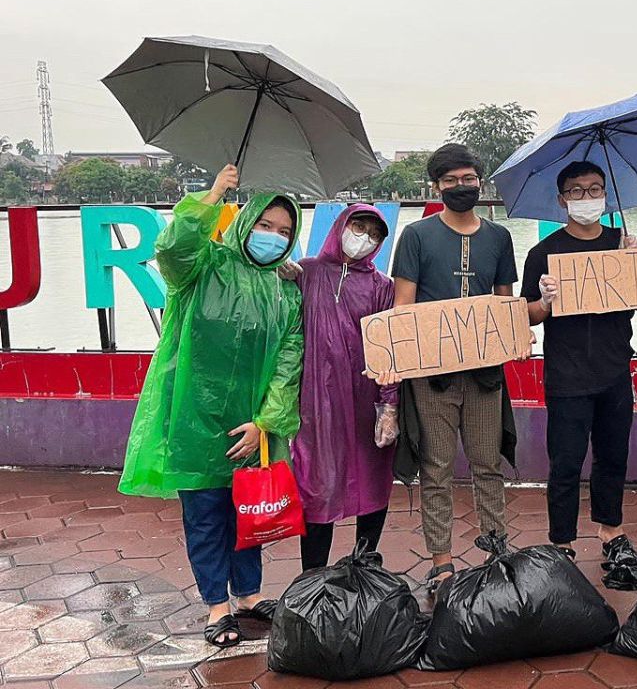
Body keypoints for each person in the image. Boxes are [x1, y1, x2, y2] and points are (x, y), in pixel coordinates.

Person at [118, 164, 303, 648]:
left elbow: (289, 360)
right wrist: (213, 196)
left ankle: (247, 596)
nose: (273, 237)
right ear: (244, 222)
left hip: (251, 423)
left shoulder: (285, 291)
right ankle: (216, 608)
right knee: (204, 516)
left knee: (249, 512)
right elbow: (172, 249)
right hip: (195, 419)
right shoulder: (203, 266)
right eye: (265, 225)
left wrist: (266, 422)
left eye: (284, 231)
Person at [388, 143, 521, 590]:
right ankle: (442, 560)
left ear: (480, 182)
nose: (460, 187)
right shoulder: (416, 236)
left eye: (468, 179)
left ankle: (496, 549)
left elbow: (505, 303)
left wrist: (517, 336)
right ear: (436, 186)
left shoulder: (500, 238)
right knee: (437, 467)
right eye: (451, 181)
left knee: (487, 463)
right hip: (432, 376)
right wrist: (397, 361)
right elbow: (402, 305)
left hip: (484, 374)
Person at [521, 161, 637, 565]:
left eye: (594, 190)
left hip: (614, 370)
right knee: (566, 461)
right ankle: (561, 541)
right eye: (577, 191)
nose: (587, 198)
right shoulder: (544, 252)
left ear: (606, 195)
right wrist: (546, 301)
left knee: (613, 456)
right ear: (562, 200)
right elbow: (529, 314)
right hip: (567, 374)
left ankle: (612, 531)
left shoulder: (621, 244)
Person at [289, 205, 399, 571]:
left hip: (366, 398)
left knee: (372, 478)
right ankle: (313, 575)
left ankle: (365, 566)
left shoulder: (382, 286)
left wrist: (389, 406)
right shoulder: (306, 271)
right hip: (315, 402)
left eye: (374, 233)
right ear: (340, 226)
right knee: (317, 482)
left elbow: (390, 348)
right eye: (358, 226)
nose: (363, 237)